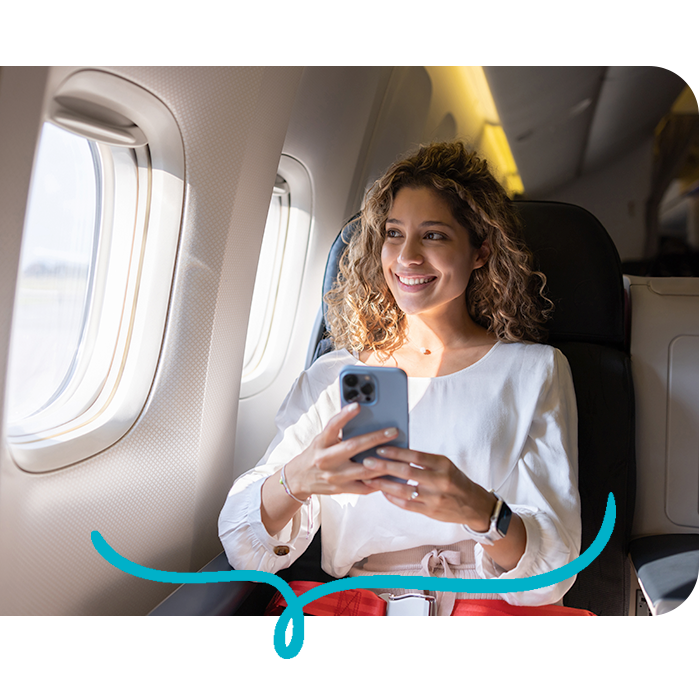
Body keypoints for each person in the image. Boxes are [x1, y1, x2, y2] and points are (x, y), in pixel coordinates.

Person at [218, 141, 588, 617]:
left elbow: (551, 578)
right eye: (394, 234)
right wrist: (298, 479)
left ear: (480, 251)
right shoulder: (337, 375)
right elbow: (242, 546)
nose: (407, 256)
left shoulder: (533, 371)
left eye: (433, 236)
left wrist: (480, 511)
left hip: (486, 610)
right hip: (359, 609)